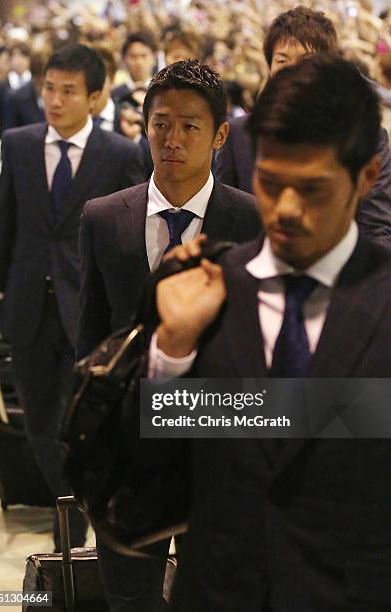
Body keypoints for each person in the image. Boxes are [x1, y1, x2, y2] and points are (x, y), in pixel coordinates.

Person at [151, 54, 391, 611]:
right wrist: (171, 355)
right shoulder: (200, 288)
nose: (284, 209)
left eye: (311, 189)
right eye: (271, 181)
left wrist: (224, 408)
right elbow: (150, 475)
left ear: (366, 178)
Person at [77, 59, 261, 610]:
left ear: (220, 135)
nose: (171, 140)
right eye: (160, 124)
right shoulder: (105, 218)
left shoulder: (251, 222)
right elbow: (90, 337)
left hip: (222, 448)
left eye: (189, 125)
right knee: (130, 596)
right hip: (131, 453)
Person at [0, 43, 146, 551]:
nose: (54, 100)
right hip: (28, 304)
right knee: (37, 425)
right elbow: (6, 223)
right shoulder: (19, 143)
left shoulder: (118, 154)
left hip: (88, 307)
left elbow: (129, 235)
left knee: (84, 422)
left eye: (68, 91)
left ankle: (78, 527)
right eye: (49, 88)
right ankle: (75, 508)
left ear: (95, 97)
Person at [214, 5, 391, 248]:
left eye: (307, 61)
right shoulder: (239, 135)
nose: (294, 71)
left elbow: (377, 229)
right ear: (269, 67)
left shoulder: (364, 135)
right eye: (282, 60)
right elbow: (226, 221)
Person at [111, 31, 157, 105]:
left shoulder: (161, 91)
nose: (139, 62)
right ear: (124, 59)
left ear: (154, 58)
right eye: (133, 56)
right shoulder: (115, 95)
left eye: (143, 56)